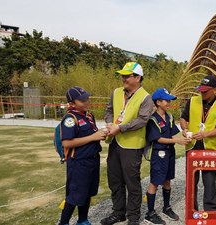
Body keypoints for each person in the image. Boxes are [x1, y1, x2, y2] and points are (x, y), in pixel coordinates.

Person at [101, 62, 153, 225]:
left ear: (138, 78)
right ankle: (118, 212)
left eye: (127, 75)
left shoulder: (146, 97)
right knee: (114, 179)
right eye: (122, 75)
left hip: (132, 146)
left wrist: (120, 128)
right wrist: (110, 123)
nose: (123, 78)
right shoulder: (116, 92)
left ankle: (133, 217)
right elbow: (109, 111)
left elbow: (142, 120)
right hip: (115, 142)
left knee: (132, 182)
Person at [58, 86, 106, 225]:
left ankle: (83, 220)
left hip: (92, 160)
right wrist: (93, 137)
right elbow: (67, 143)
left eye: (87, 98)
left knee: (87, 193)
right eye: (82, 100)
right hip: (79, 163)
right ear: (72, 104)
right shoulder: (70, 119)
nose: (87, 101)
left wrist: (101, 134)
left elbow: (92, 135)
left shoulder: (89, 116)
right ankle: (64, 222)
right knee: (74, 195)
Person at [180, 74, 216, 211]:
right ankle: (191, 209)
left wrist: (205, 134)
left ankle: (210, 211)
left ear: (215, 90)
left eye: (205, 91)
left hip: (210, 149)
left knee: (210, 181)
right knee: (191, 181)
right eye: (200, 90)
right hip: (192, 148)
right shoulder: (193, 101)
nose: (201, 92)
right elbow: (183, 118)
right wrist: (184, 129)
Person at [144, 88, 191, 224]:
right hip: (159, 154)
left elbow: (172, 133)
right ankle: (150, 213)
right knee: (155, 182)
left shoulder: (169, 117)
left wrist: (184, 134)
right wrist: (177, 141)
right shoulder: (152, 120)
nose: (169, 102)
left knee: (167, 180)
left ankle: (166, 207)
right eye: (166, 100)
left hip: (170, 153)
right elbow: (157, 139)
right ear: (158, 102)